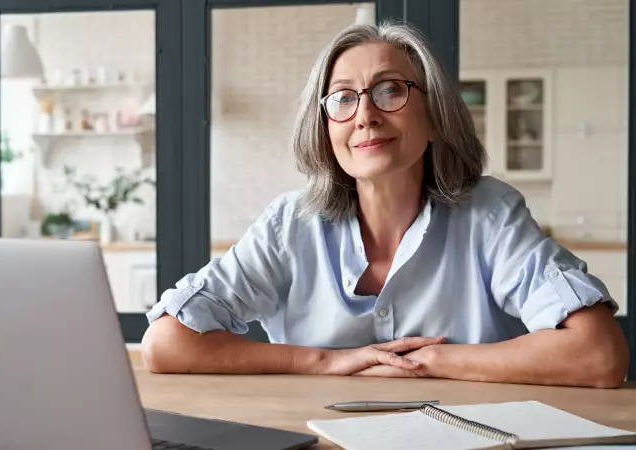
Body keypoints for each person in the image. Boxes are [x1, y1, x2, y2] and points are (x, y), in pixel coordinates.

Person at [141, 21, 629, 388]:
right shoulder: (289, 224)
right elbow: (166, 343)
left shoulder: (490, 212)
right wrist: (329, 361)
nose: (366, 116)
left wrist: (429, 361)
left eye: (389, 90)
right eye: (342, 99)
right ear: (325, 126)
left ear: (435, 114)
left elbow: (599, 355)